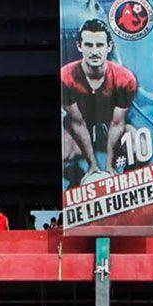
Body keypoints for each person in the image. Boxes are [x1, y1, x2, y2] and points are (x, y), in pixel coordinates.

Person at [60, 18, 140, 183]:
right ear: (79, 46)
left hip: (111, 126)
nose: (94, 51)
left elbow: (117, 123)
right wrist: (93, 165)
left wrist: (109, 166)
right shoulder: (65, 77)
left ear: (108, 47)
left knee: (137, 144)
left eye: (100, 45)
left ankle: (126, 183)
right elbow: (77, 123)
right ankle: (78, 177)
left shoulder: (125, 79)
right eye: (89, 45)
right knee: (64, 151)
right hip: (81, 127)